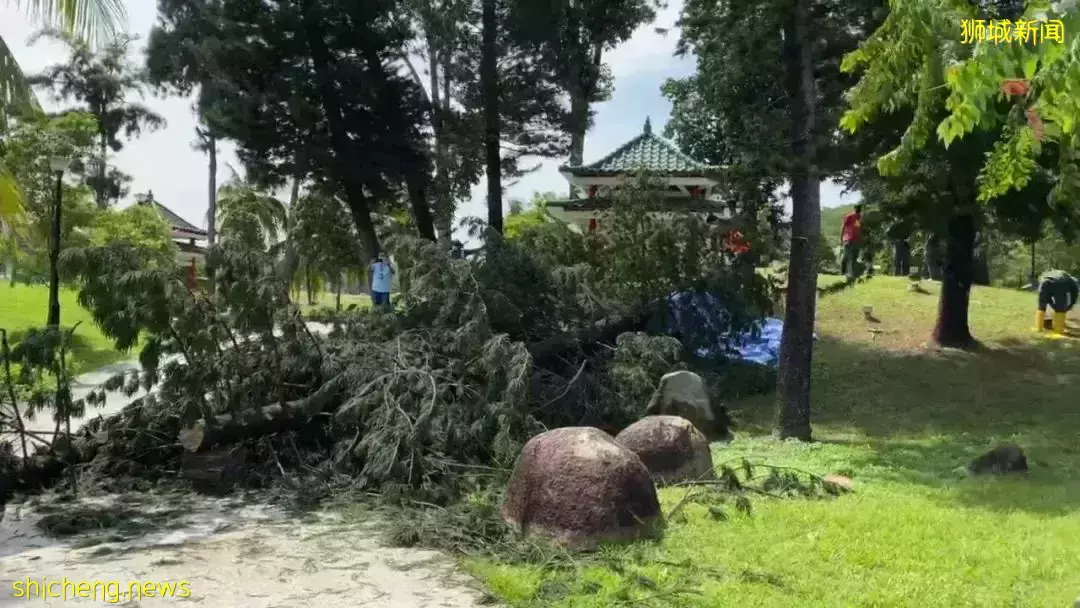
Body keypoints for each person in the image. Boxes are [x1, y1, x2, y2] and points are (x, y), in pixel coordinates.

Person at [1035, 269, 1079, 334]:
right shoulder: (1072, 282)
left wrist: (1052, 304)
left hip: (1044, 281)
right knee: (1060, 309)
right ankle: (1058, 331)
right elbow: (1074, 296)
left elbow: (1047, 298)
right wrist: (1068, 306)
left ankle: (1039, 328)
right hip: (1060, 283)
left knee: (1041, 306)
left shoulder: (1052, 273)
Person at [839, 204, 864, 278]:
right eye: (857, 208)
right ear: (855, 208)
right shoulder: (849, 216)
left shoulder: (861, 218)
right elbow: (843, 226)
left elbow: (861, 228)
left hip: (857, 240)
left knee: (854, 257)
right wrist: (841, 237)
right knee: (846, 256)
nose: (858, 209)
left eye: (859, 208)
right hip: (848, 239)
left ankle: (852, 274)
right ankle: (843, 272)